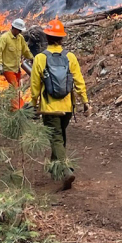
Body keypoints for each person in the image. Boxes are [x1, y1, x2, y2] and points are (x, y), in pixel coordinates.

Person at [30, 20, 90, 191]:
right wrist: (85, 101)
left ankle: (65, 170)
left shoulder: (40, 58)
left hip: (50, 108)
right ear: (61, 39)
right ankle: (54, 167)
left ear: (47, 38)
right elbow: (79, 81)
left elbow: (34, 86)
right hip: (67, 107)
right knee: (60, 136)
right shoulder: (70, 57)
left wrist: (33, 105)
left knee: (56, 137)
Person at [0, 18, 33, 109]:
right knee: (15, 88)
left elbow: (25, 50)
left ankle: (14, 107)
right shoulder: (5, 38)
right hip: (8, 69)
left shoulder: (20, 38)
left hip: (17, 68)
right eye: (19, 30)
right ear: (14, 28)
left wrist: (32, 58)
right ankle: (19, 109)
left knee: (17, 88)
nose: (20, 32)